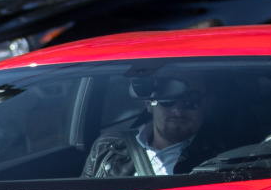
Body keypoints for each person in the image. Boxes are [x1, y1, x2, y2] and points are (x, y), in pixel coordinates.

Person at [82, 72, 226, 177]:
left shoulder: (226, 156)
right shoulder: (108, 148)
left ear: (209, 103)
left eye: (191, 99)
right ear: (149, 103)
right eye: (167, 99)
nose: (177, 110)